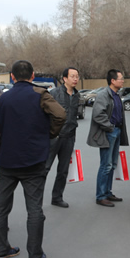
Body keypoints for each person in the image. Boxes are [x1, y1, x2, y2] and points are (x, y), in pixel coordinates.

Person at [0, 60, 66, 258]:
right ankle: (35, 255)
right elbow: (60, 114)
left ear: (12, 77)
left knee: (0, 206)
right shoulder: (40, 95)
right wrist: (49, 133)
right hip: (33, 161)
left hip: (7, 161)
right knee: (34, 208)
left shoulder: (2, 99)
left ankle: (0, 249)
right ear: (32, 75)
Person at [88, 69, 129, 207]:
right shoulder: (103, 95)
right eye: (120, 79)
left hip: (116, 131)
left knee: (112, 165)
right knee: (106, 165)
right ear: (113, 80)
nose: (122, 81)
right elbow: (98, 114)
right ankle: (101, 196)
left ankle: (107, 192)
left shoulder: (116, 94)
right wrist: (110, 127)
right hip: (108, 133)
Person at [44, 67, 80, 208]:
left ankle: (57, 197)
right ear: (64, 78)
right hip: (54, 137)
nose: (75, 79)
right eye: (72, 76)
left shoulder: (77, 95)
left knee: (63, 170)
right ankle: (36, 198)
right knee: (45, 168)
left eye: (77, 76)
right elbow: (45, 114)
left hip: (69, 137)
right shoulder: (54, 93)